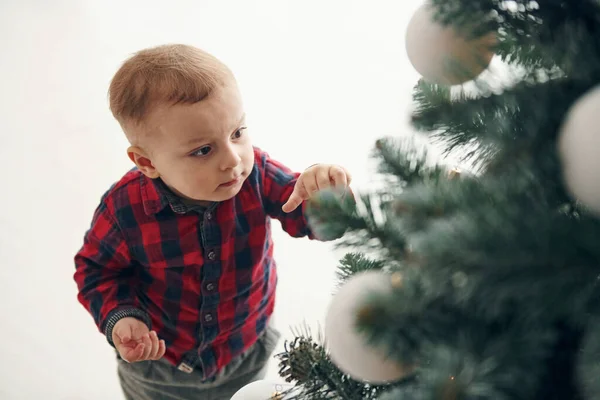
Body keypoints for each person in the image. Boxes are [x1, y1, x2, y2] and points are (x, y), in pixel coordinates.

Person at [73, 43, 352, 399]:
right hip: (160, 370)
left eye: (237, 133)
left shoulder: (257, 175)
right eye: (203, 150)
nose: (233, 160)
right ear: (146, 163)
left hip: (245, 351)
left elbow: (307, 218)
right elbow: (96, 270)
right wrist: (121, 316)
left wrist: (326, 195)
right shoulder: (123, 209)